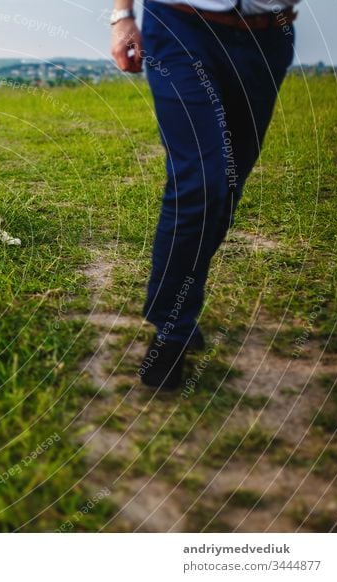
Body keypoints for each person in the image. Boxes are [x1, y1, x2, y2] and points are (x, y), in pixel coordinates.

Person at [109, 0, 299, 389]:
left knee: (227, 189)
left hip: (269, 36)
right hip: (181, 25)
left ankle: (176, 305)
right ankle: (171, 330)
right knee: (201, 180)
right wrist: (122, 15)